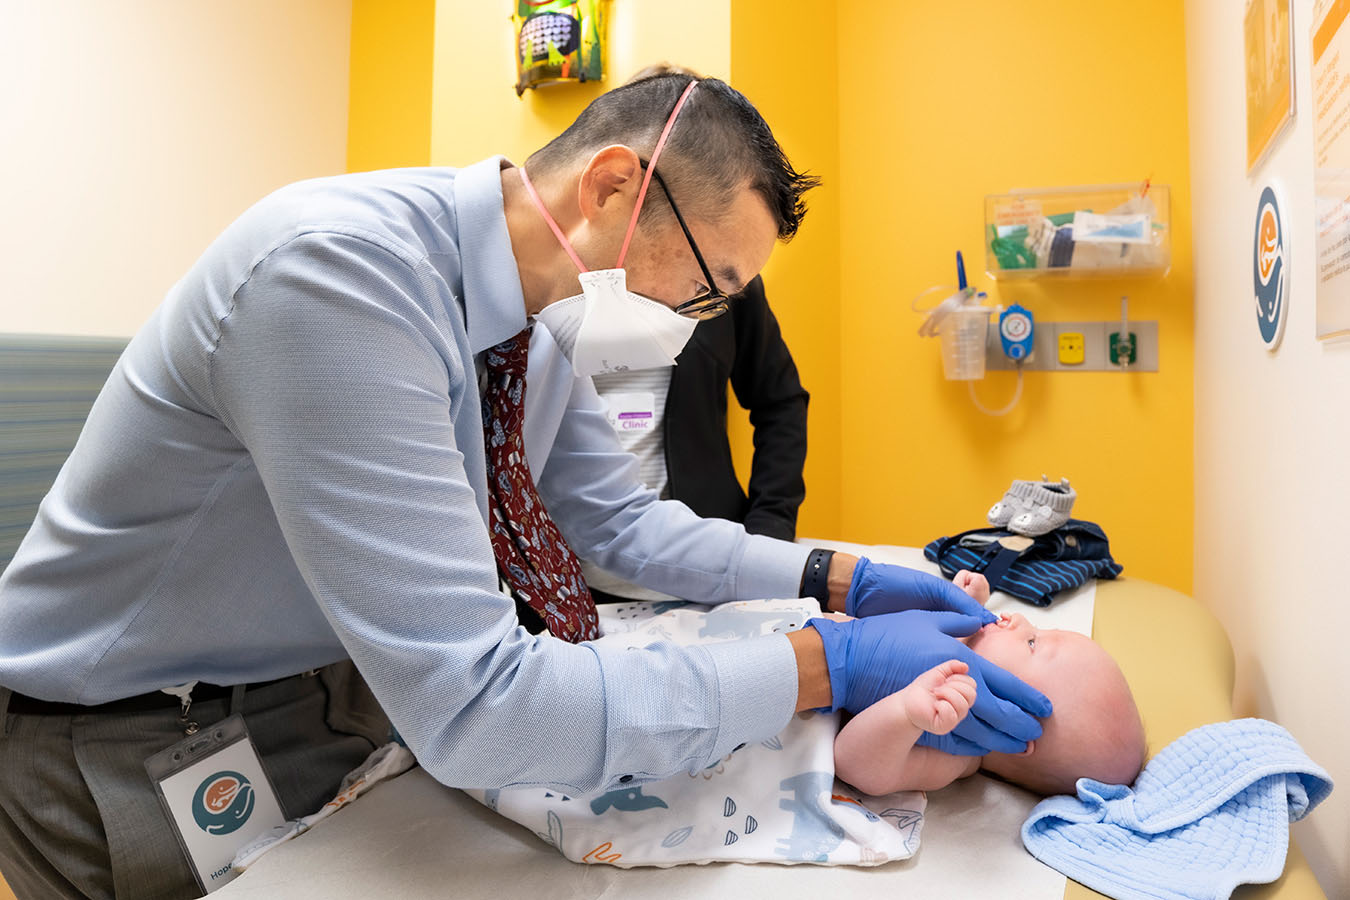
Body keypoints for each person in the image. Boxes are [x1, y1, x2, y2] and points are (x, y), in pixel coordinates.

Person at [0, 74, 1049, 899]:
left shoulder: (530, 323)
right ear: (609, 190)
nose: (693, 323)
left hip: (337, 693)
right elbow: (482, 707)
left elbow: (628, 531)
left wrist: (843, 578)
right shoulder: (337, 281)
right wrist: (827, 664)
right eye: (702, 288)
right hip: (133, 738)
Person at [583, 64, 808, 603]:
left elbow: (781, 403)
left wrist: (768, 535)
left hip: (701, 563)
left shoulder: (724, 284)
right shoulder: (567, 279)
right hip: (575, 575)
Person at [833, 573, 1145, 797]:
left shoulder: (955, 753)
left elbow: (856, 767)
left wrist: (904, 714)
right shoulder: (959, 643)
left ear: (1017, 728)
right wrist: (963, 605)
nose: (1021, 621)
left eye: (1033, 642)